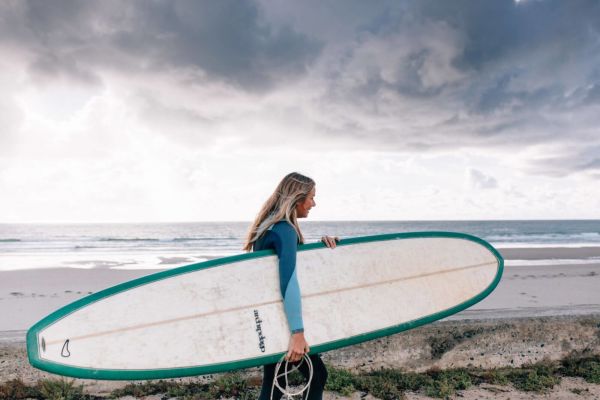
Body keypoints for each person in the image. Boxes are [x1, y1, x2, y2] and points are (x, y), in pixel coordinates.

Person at [243, 172, 339, 400]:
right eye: (312, 197)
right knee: (314, 376)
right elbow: (288, 280)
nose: (314, 203)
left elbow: (286, 270)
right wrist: (297, 332)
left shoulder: (269, 227)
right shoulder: (284, 230)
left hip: (269, 317)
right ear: (297, 198)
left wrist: (323, 251)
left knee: (277, 381)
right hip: (283, 321)